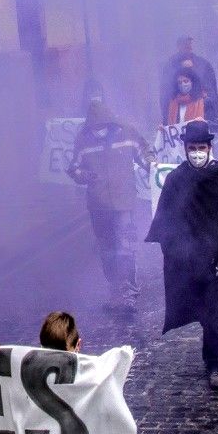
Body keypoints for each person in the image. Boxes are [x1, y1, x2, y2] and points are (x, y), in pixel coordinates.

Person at [146, 120, 218, 390]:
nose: (197, 152)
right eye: (192, 148)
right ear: (185, 149)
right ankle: (214, 356)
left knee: (217, 310)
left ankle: (216, 362)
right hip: (192, 260)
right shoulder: (176, 179)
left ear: (209, 147)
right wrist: (180, 253)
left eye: (201, 147)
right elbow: (167, 222)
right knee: (207, 312)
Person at [69, 100, 148, 311]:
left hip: (124, 202)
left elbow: (145, 155)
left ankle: (128, 294)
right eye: (95, 128)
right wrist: (83, 175)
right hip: (99, 204)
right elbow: (74, 169)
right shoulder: (83, 140)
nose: (99, 132)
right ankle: (115, 291)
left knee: (125, 247)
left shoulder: (127, 133)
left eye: (101, 127)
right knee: (107, 250)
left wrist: (157, 169)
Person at [159, 36, 218, 126]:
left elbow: (211, 89)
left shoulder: (202, 64)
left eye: (189, 44)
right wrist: (165, 118)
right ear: (178, 46)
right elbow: (165, 92)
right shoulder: (170, 66)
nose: (189, 48)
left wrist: (214, 112)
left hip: (200, 109)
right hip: (177, 110)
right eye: (185, 45)